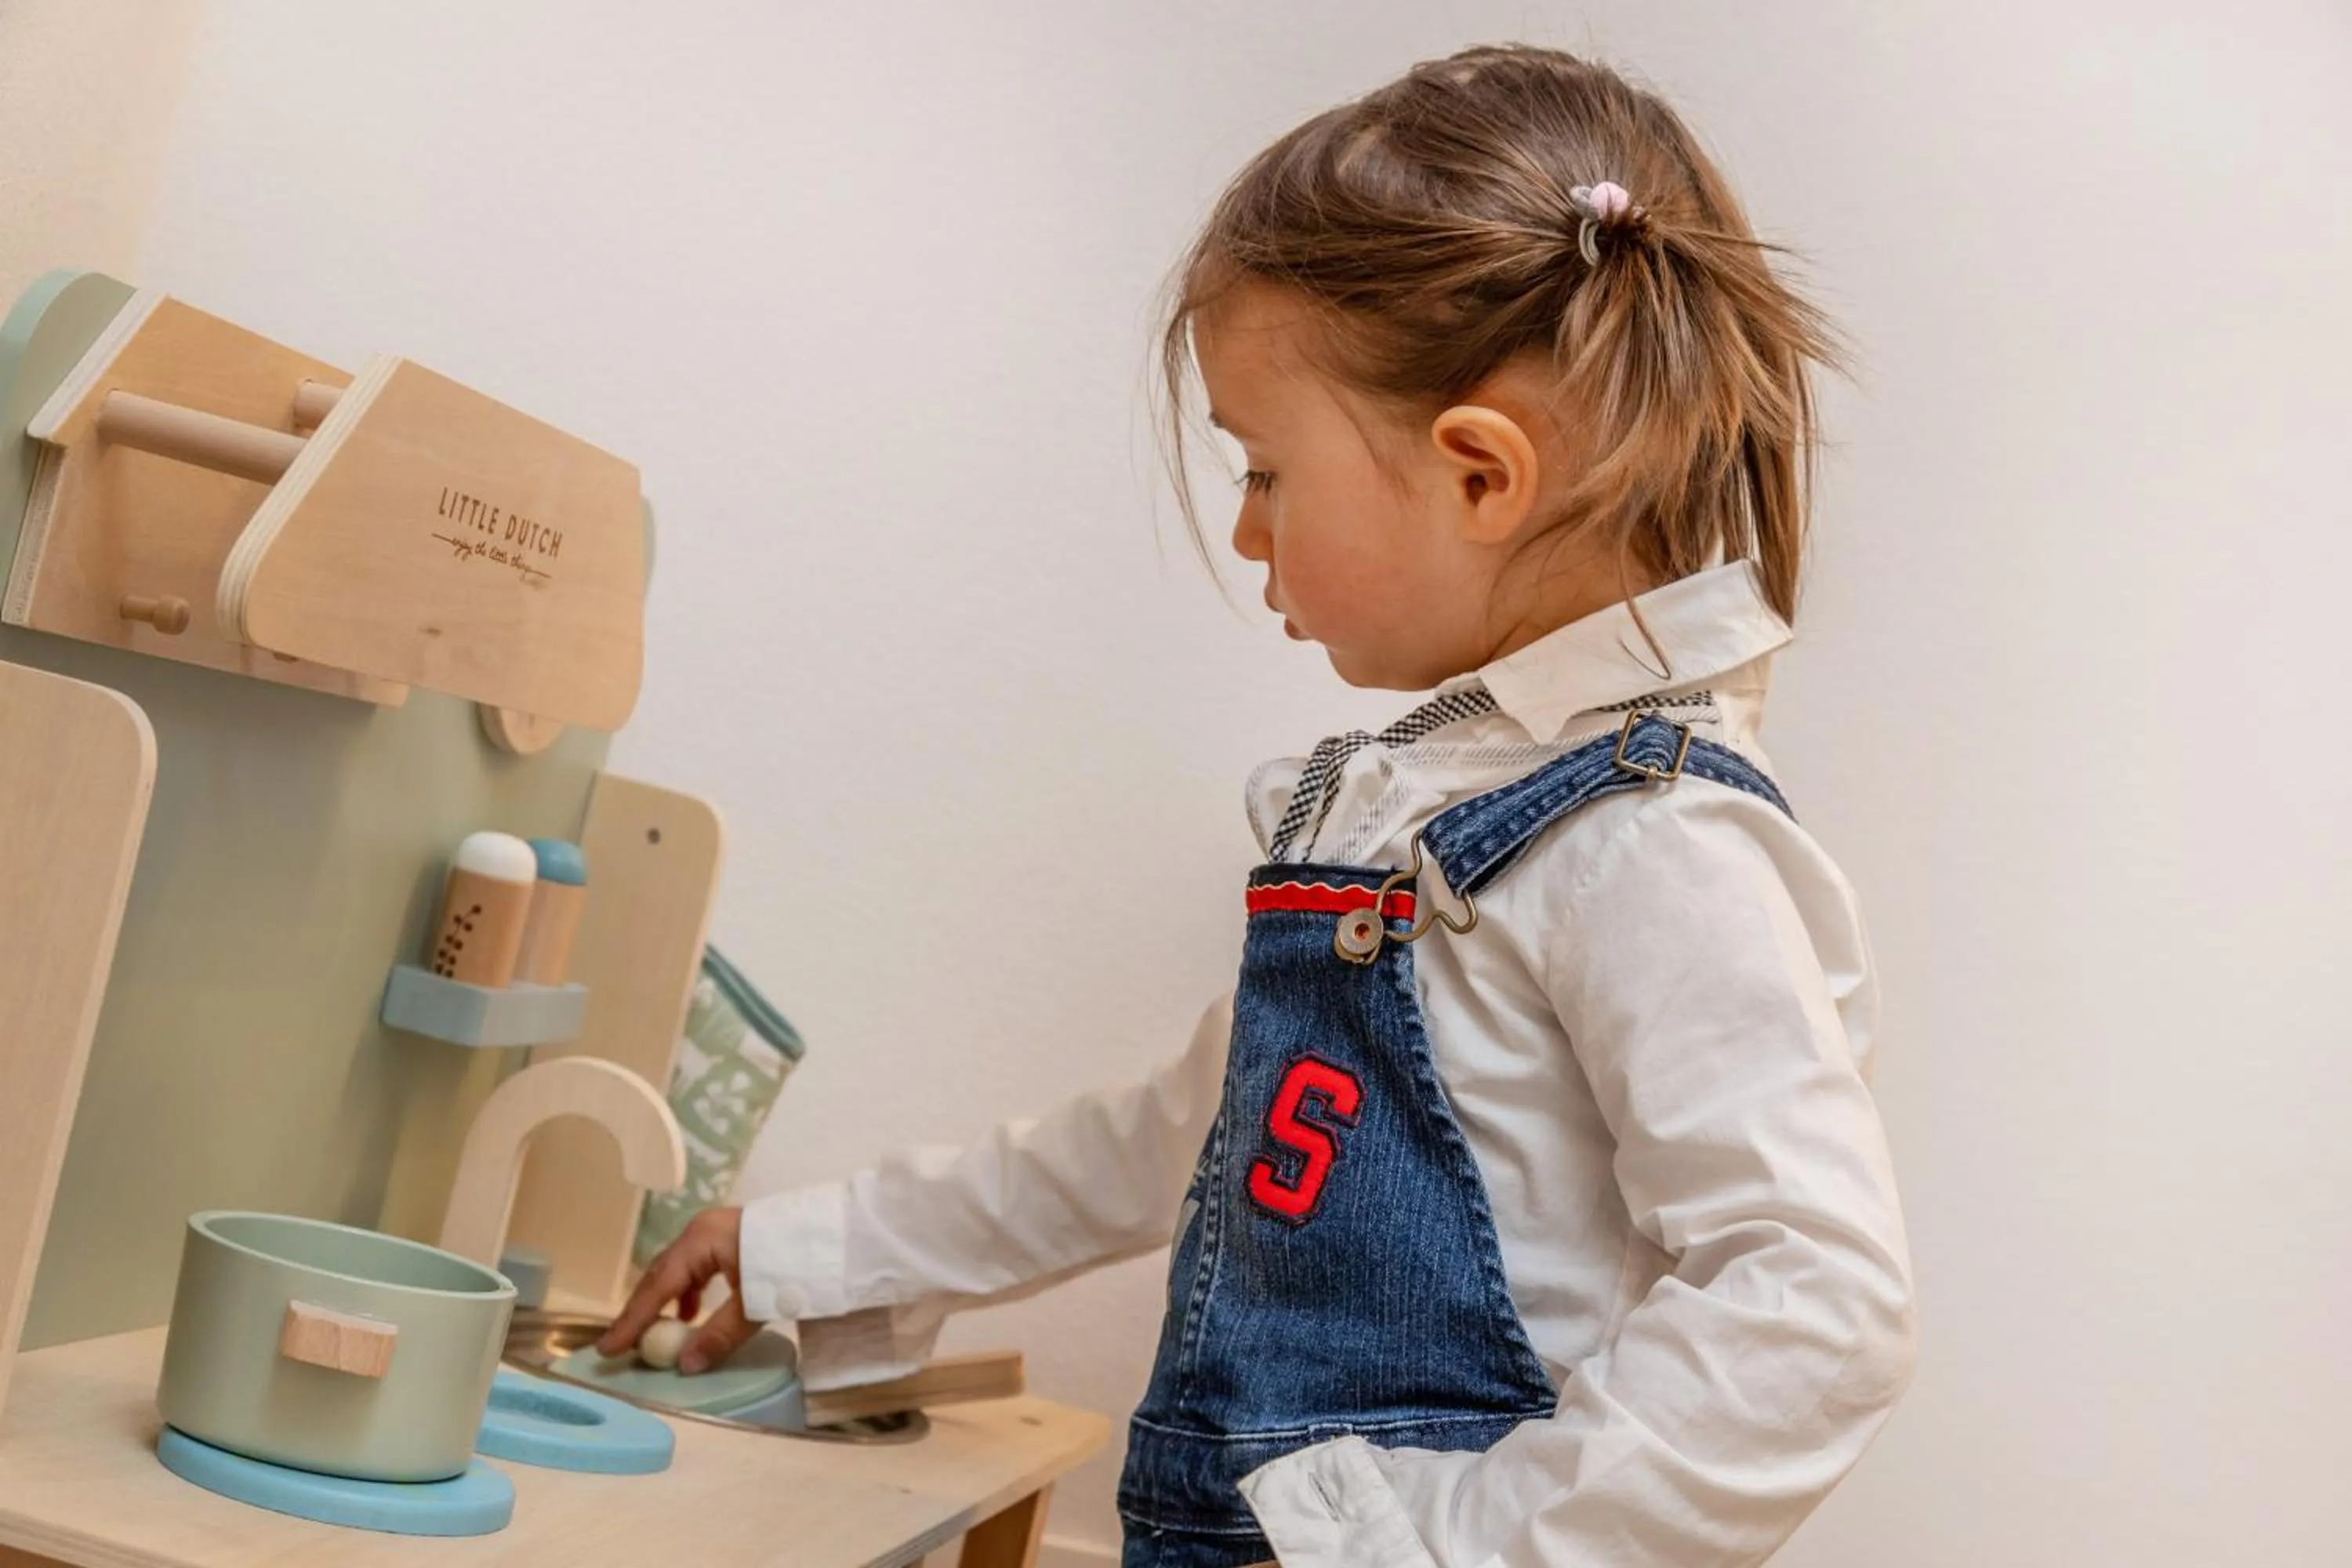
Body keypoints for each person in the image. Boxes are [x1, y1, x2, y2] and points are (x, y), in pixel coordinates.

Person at [603, 43, 1915, 1568]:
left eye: (1266, 469)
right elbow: (1189, 1139)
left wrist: (1453, 1547)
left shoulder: (1653, 845)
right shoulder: (1402, 829)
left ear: (1481, 473)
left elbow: (1816, 1299)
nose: (1244, 529)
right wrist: (805, 1252)